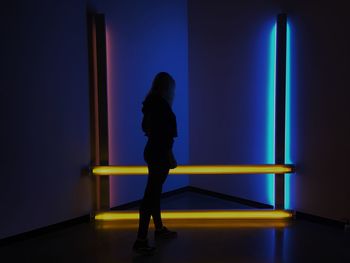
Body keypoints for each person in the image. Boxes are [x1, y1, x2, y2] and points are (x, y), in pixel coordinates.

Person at [132, 72, 178, 255]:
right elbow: (166, 136)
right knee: (150, 196)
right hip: (160, 154)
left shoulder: (150, 104)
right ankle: (140, 239)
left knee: (154, 193)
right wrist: (170, 155)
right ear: (167, 88)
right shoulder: (162, 107)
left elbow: (147, 128)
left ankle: (158, 229)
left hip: (152, 151)